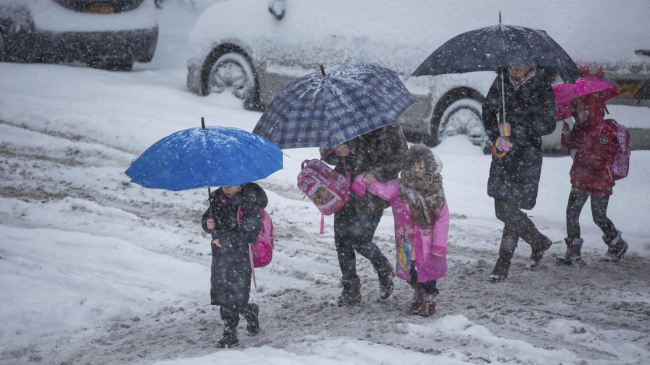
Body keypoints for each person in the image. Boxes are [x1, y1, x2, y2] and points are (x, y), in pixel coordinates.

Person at [482, 65, 557, 282]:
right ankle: (538, 241)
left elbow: (548, 124)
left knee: (512, 208)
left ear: (530, 64)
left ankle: (502, 263)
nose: (515, 66)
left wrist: (517, 128)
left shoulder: (541, 85)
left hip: (527, 156)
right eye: (511, 62)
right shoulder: (501, 82)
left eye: (520, 62)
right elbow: (487, 111)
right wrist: (495, 133)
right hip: (504, 153)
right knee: (501, 210)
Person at [320, 124, 408, 306]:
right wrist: (335, 152)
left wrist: (377, 173)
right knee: (342, 241)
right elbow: (325, 153)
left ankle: (383, 268)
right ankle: (350, 289)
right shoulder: (341, 122)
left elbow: (402, 159)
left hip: (370, 195)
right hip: (343, 191)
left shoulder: (388, 126)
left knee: (361, 241)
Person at [360, 144, 449, 316]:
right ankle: (418, 291)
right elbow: (383, 190)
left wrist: (438, 244)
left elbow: (442, 218)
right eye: (413, 165)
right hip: (406, 239)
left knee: (429, 273)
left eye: (421, 167)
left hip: (428, 242)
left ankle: (429, 297)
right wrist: (369, 181)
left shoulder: (435, 192)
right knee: (411, 271)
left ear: (428, 168)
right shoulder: (399, 187)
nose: (416, 170)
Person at [557, 95, 628, 264]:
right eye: (578, 108)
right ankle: (573, 251)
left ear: (594, 108)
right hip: (580, 178)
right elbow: (571, 150)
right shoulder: (579, 128)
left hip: (599, 181)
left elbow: (603, 159)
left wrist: (578, 154)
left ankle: (616, 243)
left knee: (599, 217)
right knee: (572, 213)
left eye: (584, 108)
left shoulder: (604, 130)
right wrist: (566, 137)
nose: (580, 112)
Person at [201, 183, 267, 348]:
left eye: (231, 185)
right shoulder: (217, 200)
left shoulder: (248, 203)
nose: (226, 188)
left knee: (234, 293)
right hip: (220, 256)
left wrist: (224, 240)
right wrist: (207, 224)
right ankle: (248, 311)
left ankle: (230, 335)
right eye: (223, 185)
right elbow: (206, 219)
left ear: (242, 185)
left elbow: (249, 232)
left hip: (240, 256)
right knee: (223, 293)